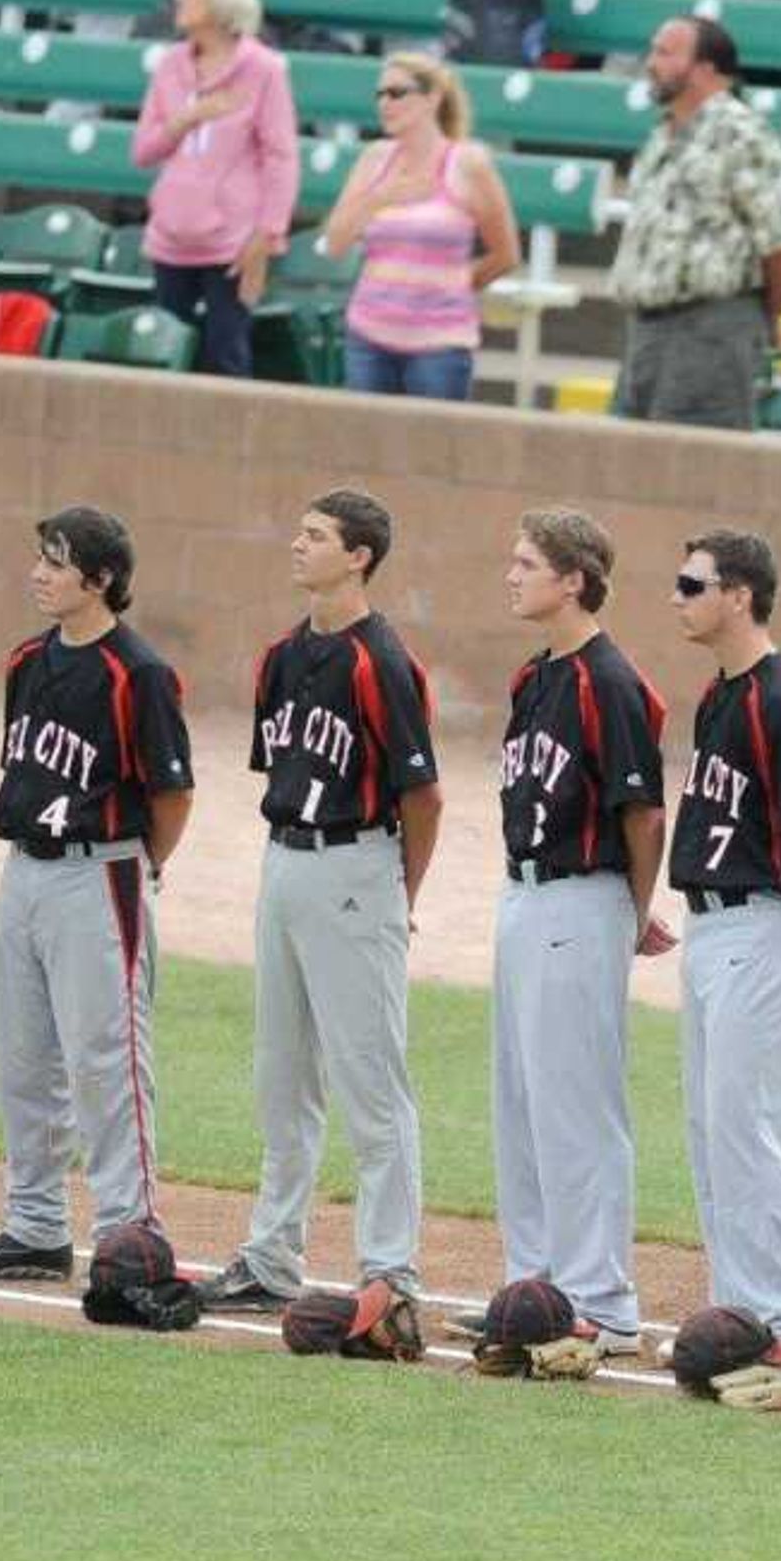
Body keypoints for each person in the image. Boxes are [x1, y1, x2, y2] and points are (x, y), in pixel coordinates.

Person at [204, 490, 444, 1311]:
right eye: (299, 530)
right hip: (286, 863)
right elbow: (282, 772)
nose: (297, 545)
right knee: (282, 1076)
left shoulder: (382, 662)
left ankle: (391, 1271)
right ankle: (271, 1258)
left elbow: (425, 797)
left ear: (360, 557)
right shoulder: (280, 658)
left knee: (371, 1082)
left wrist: (394, 892)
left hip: (357, 865)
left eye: (316, 536)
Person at [0, 506, 196, 1281]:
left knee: (107, 1059)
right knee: (20, 1055)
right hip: (23, 869)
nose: (40, 573)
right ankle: (35, 1224)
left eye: (57, 563)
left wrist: (133, 865)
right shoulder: (29, 661)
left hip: (101, 871)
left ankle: (130, 1231)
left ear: (101, 581)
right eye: (41, 558)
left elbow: (172, 796)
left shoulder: (141, 674)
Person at [492, 510, 673, 1351]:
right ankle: (536, 1290)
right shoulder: (537, 677)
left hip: (583, 899)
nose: (512, 573)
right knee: (523, 1101)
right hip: (525, 897)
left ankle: (603, 1299)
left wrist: (632, 917)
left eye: (528, 563)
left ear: (573, 579)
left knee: (578, 1106)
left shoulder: (611, 682)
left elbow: (643, 814)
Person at [666, 527, 781, 1369]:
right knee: (712, 1126)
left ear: (740, 595)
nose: (679, 597)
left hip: (764, 925)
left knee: (747, 1125)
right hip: (711, 927)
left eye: (692, 584)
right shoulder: (722, 694)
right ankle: (737, 1310)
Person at [605, 17, 781, 428]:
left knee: (693, 471)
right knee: (635, 466)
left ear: (706, 68)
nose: (651, 63)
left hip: (711, 327)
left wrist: (755, 318)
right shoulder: (662, 135)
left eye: (665, 53)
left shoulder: (741, 133)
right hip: (648, 328)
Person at [132, 0, 298, 382]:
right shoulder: (169, 65)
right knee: (165, 354)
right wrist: (190, 117)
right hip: (171, 234)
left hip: (233, 240)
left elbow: (281, 157)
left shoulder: (264, 69)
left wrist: (268, 234)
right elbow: (144, 151)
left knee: (227, 354)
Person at [322, 52, 517, 402]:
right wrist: (377, 199)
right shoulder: (375, 158)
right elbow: (335, 243)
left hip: (439, 344)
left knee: (434, 452)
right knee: (364, 451)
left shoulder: (469, 163)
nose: (385, 103)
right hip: (369, 335)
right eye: (379, 94)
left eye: (397, 93)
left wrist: (453, 289)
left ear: (432, 97)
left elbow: (505, 254)